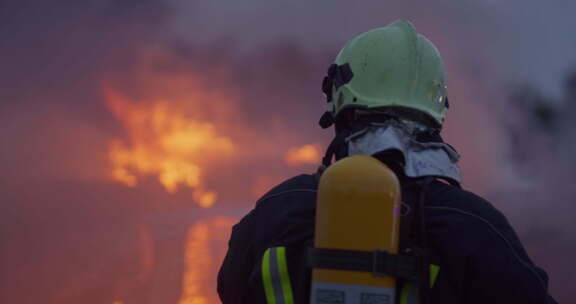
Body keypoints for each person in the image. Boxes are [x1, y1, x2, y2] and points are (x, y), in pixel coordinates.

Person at [217, 20, 558, 304]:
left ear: (339, 103)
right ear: (436, 110)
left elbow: (230, 289)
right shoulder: (473, 224)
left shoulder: (279, 209)